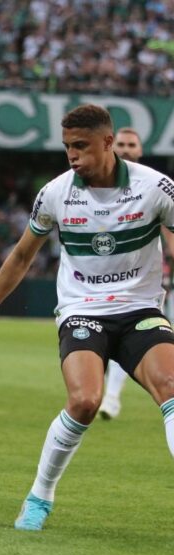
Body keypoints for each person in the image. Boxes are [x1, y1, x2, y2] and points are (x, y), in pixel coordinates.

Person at [0, 104, 174, 531]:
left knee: (171, 384)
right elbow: (22, 255)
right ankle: (40, 496)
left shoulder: (156, 188)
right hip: (82, 310)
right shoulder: (55, 194)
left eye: (81, 146)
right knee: (85, 401)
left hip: (141, 310)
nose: (72, 155)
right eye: (67, 146)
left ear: (108, 142)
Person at [99, 127, 174, 419]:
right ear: (111, 146)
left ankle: (113, 397)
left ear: (140, 150)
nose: (127, 149)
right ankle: (110, 396)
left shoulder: (153, 186)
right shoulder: (97, 185)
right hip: (106, 281)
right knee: (120, 332)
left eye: (132, 144)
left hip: (150, 280)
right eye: (122, 144)